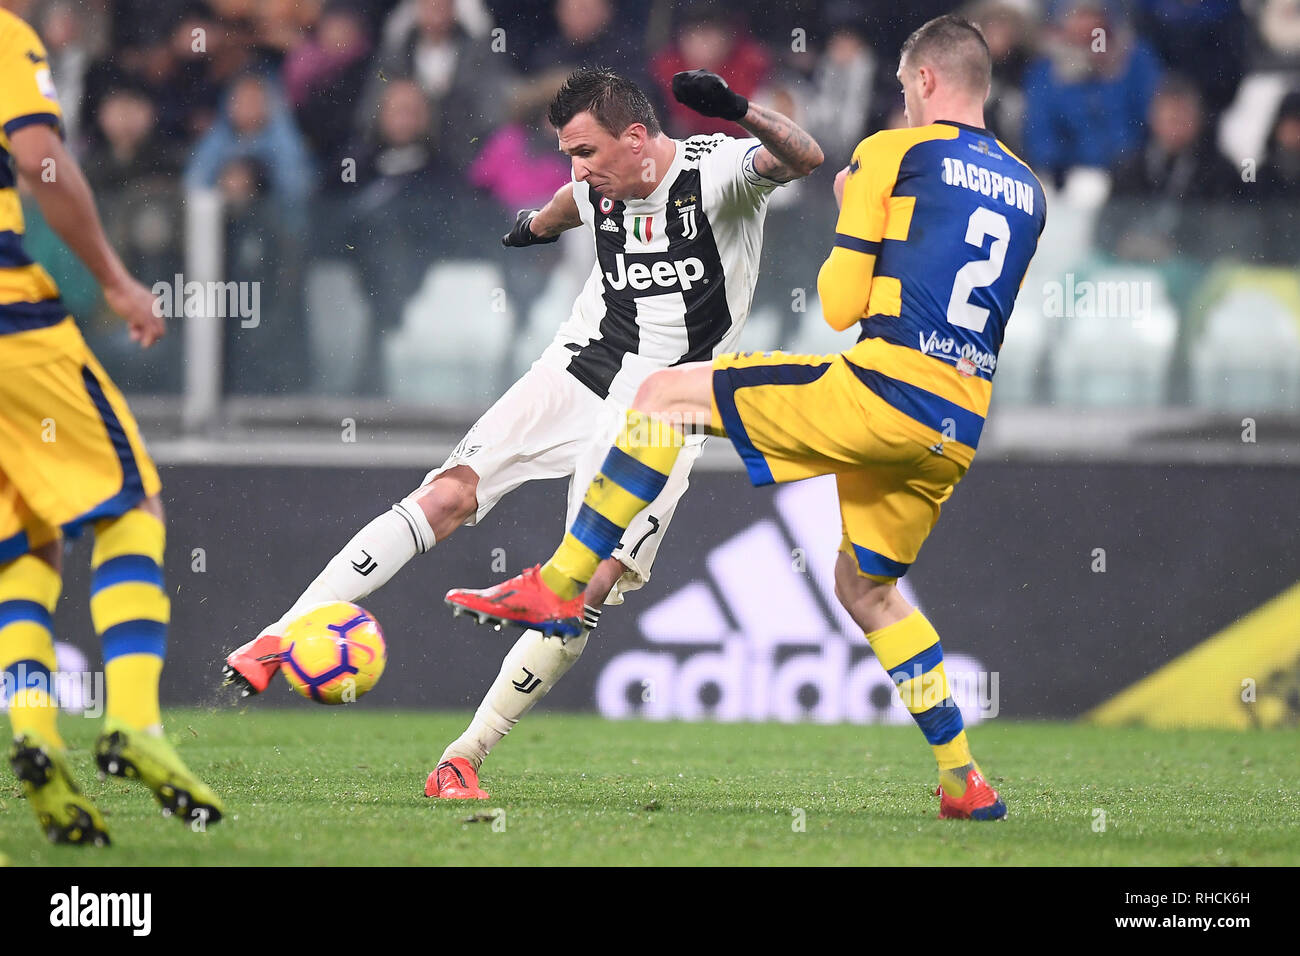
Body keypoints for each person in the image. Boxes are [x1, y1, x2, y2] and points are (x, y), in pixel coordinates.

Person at [446, 15, 1047, 822]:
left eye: (905, 88)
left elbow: (839, 306)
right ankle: (963, 780)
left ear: (928, 82)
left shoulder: (890, 153)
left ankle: (558, 583)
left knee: (664, 394)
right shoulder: (1028, 188)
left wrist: (849, 204)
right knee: (867, 592)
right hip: (957, 422)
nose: (903, 100)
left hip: (882, 391)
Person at [223, 66, 823, 801]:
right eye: (567, 152)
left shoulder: (720, 172)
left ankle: (465, 755)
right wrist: (538, 224)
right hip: (575, 369)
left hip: (664, 407)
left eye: (585, 151)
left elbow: (803, 158)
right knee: (447, 494)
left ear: (638, 139)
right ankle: (278, 636)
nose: (577, 169)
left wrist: (736, 109)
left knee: (588, 585)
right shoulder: (596, 185)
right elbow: (573, 201)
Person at [0, 5, 222, 845]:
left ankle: (32, 731)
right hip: (12, 328)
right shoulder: (3, 35)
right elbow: (39, 157)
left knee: (23, 541)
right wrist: (117, 279)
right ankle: (134, 722)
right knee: (130, 507)